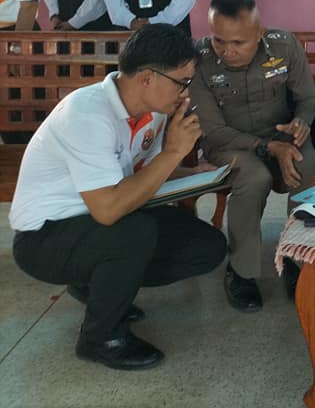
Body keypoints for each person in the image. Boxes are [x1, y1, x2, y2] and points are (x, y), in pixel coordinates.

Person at [8, 24, 226, 370]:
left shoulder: (153, 111)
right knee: (133, 233)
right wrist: (174, 152)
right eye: (181, 82)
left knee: (206, 246)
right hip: (45, 238)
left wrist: (199, 175)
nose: (185, 93)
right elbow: (108, 210)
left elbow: (143, 174)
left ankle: (96, 285)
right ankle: (101, 338)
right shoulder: (86, 114)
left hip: (98, 221)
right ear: (147, 78)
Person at [190, 0, 315, 311]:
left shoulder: (284, 46)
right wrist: (267, 148)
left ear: (259, 33)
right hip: (228, 143)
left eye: (238, 42)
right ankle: (241, 271)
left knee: (307, 165)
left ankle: (296, 258)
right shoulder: (199, 59)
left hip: (280, 135)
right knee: (253, 176)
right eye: (219, 40)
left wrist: (301, 123)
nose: (227, 51)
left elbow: (308, 99)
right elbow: (212, 129)